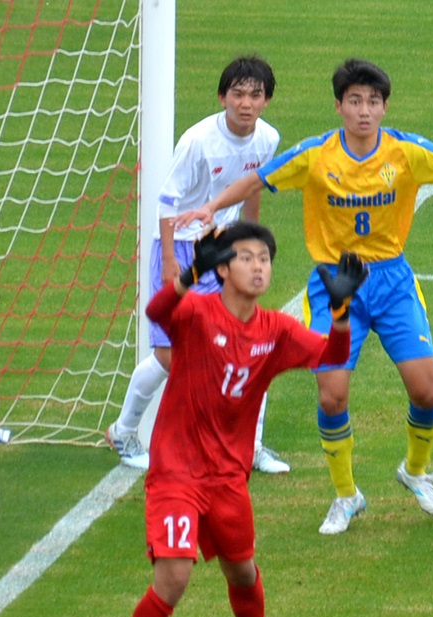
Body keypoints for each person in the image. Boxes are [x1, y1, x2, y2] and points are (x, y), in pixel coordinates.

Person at [176, 58, 433, 534]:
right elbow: (258, 179)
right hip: (333, 288)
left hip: (391, 283)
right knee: (331, 397)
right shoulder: (315, 155)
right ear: (338, 106)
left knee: (425, 391)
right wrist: (211, 205)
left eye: (372, 102)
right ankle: (346, 495)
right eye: (354, 101)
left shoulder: (407, 152)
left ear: (384, 108)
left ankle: (415, 470)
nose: (363, 111)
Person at [108, 222, 365, 617]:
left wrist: (340, 311)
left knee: (243, 571)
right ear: (223, 268)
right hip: (178, 470)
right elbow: (157, 310)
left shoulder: (277, 329)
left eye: (264, 259)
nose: (258, 266)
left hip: (228, 477)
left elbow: (333, 356)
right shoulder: (198, 312)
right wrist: (190, 273)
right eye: (245, 257)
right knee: (175, 577)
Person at [105, 56, 288, 474]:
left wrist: (252, 242)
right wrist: (170, 260)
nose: (246, 103)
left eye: (255, 95)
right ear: (222, 97)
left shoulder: (268, 138)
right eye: (238, 94)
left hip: (223, 247)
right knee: (172, 358)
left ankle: (250, 446)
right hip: (181, 249)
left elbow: (254, 185)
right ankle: (124, 430)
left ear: (267, 101)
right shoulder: (198, 141)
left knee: (247, 343)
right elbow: (168, 201)